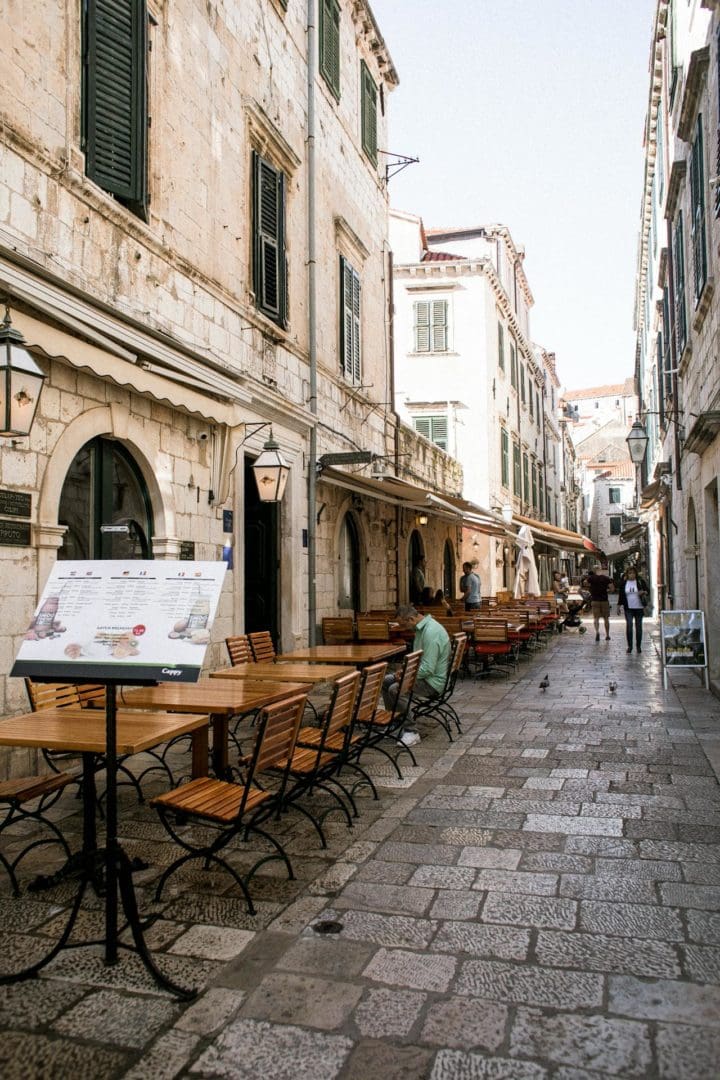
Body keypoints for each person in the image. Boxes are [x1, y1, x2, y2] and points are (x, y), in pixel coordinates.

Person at [382, 604, 450, 747]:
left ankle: (411, 731)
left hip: (432, 682)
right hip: (423, 676)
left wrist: (407, 674)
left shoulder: (431, 632)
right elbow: (419, 660)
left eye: (403, 625)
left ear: (411, 619)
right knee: (386, 681)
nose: (403, 629)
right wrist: (405, 670)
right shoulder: (422, 629)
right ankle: (395, 721)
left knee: (395, 689)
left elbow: (428, 669)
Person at [617, 566, 649, 654]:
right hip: (628, 608)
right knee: (629, 626)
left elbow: (648, 590)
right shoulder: (624, 583)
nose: (632, 575)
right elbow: (621, 595)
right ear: (627, 574)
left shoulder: (640, 582)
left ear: (636, 574)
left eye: (633, 573)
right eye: (630, 573)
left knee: (639, 628)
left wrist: (643, 592)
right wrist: (618, 606)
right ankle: (630, 646)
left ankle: (638, 646)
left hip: (639, 608)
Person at [586, 564, 615, 642]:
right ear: (600, 570)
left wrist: (592, 590)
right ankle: (607, 635)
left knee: (596, 618)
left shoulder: (591, 578)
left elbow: (586, 584)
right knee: (606, 618)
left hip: (595, 600)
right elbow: (612, 589)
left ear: (594, 570)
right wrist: (606, 591)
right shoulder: (606, 578)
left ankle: (597, 632)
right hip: (604, 600)